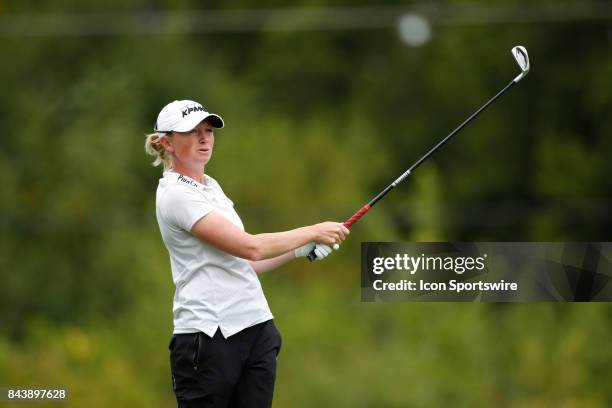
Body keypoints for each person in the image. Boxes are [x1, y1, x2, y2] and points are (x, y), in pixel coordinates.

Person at [144, 100, 349, 408]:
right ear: (167, 142)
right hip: (208, 337)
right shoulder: (175, 194)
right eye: (193, 132)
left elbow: (245, 263)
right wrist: (313, 231)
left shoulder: (211, 187)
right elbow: (250, 246)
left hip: (255, 328)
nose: (204, 138)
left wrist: (299, 249)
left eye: (208, 131)